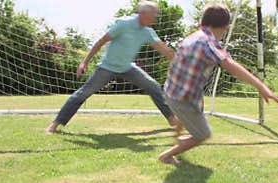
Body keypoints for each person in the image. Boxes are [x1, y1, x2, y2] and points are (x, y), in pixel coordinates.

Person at [158, 3, 278, 164]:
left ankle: (179, 138)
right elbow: (229, 64)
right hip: (183, 99)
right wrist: (262, 87)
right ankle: (166, 156)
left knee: (186, 118)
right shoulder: (208, 42)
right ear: (225, 28)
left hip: (171, 91)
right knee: (203, 134)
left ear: (201, 23)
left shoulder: (192, 37)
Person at [45, 1, 178, 134]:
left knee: (152, 86)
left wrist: (179, 63)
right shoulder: (124, 24)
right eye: (153, 15)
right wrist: (84, 62)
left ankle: (172, 119)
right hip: (107, 67)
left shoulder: (147, 32)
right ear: (143, 14)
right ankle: (55, 124)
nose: (155, 18)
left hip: (127, 67)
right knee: (83, 93)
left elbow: (164, 50)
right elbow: (101, 42)